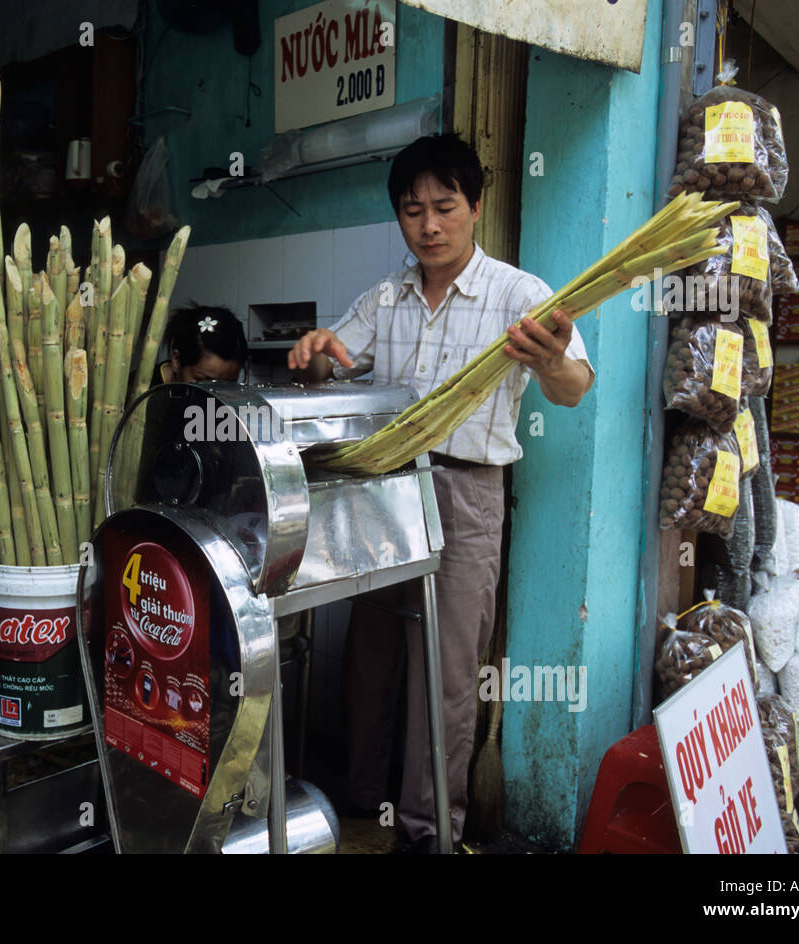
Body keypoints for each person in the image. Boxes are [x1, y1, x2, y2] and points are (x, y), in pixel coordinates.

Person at [288, 134, 595, 853]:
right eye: (412, 210)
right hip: (385, 486)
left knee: (447, 672)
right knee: (369, 653)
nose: (429, 226)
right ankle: (362, 796)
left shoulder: (520, 295)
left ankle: (429, 830)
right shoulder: (386, 297)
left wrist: (551, 362)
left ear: (475, 207)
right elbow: (331, 364)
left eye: (444, 207)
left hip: (465, 494)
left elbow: (575, 388)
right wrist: (311, 356)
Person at [154, 303, 248, 385]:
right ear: (177, 360)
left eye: (228, 386)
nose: (214, 395)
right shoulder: (144, 393)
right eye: (203, 381)